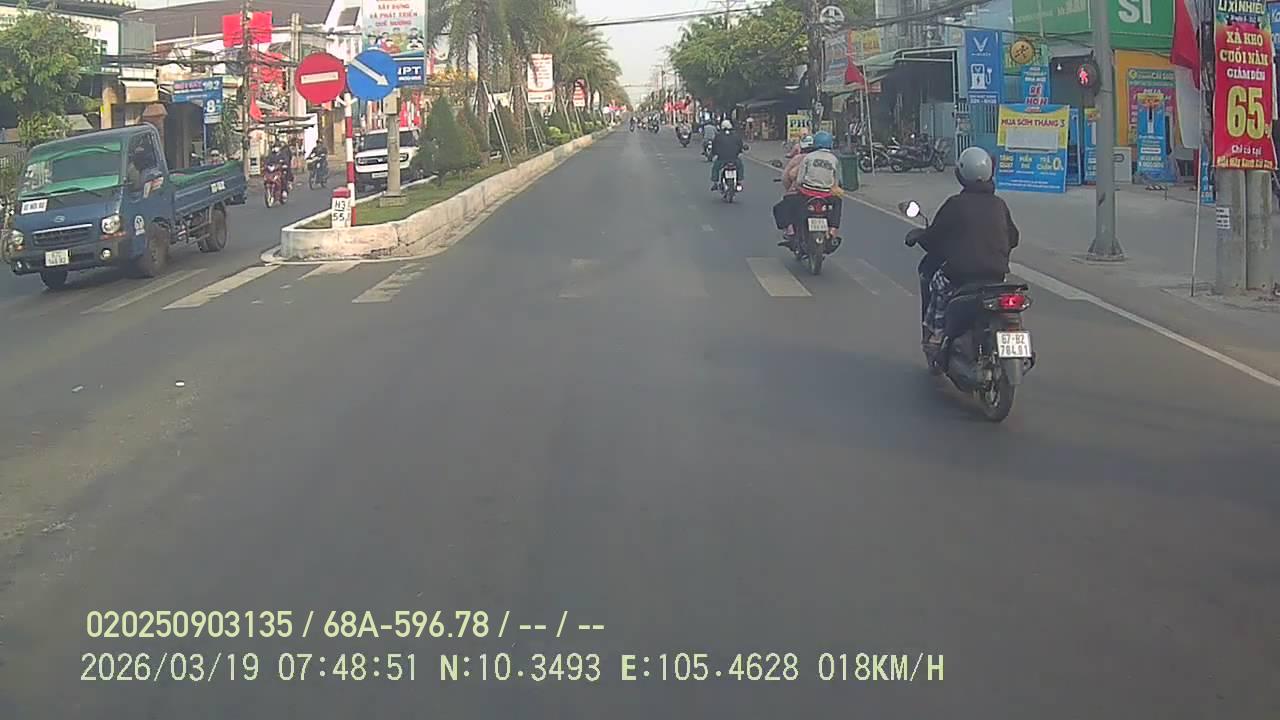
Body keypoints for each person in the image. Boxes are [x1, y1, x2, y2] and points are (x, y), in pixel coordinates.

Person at [913, 146, 1020, 351]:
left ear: (960, 174)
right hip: (996, 276)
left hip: (960, 276)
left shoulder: (955, 204)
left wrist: (919, 236)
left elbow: (934, 237)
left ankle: (937, 334)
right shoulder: (999, 204)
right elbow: (1014, 238)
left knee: (937, 284)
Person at [772, 131, 842, 247]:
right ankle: (833, 229)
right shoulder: (834, 160)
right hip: (826, 195)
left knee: (783, 205)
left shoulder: (808, 157)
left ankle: (790, 231)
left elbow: (800, 179)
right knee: (838, 203)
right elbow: (836, 181)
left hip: (807, 193)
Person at [709, 119, 746, 190]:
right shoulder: (736, 135)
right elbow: (740, 145)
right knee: (740, 166)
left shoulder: (718, 136)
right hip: (734, 158)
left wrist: (714, 154)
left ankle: (715, 183)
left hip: (721, 159)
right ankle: (739, 181)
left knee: (715, 168)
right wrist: (739, 151)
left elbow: (714, 146)